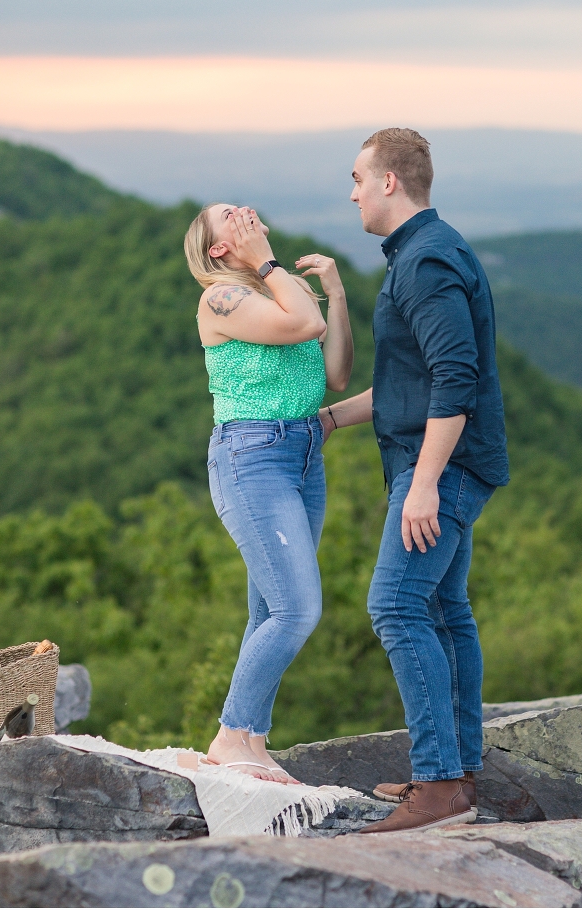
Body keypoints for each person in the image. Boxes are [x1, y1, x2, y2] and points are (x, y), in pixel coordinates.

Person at [318, 128, 509, 831]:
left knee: (396, 607)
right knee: (445, 611)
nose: (353, 193)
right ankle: (459, 776)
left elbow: (456, 379)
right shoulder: (421, 252)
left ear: (389, 181)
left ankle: (437, 789)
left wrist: (425, 483)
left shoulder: (426, 261)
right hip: (442, 462)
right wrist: (331, 419)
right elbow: (412, 384)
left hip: (442, 467)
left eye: (357, 178)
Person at [184, 203, 353, 781]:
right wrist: (269, 262)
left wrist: (337, 294)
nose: (246, 212)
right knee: (296, 609)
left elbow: (335, 375)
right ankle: (231, 735)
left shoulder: (279, 292)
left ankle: (253, 740)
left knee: (268, 611)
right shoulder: (221, 298)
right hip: (252, 456)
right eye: (230, 215)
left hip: (303, 453)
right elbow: (306, 326)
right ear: (218, 250)